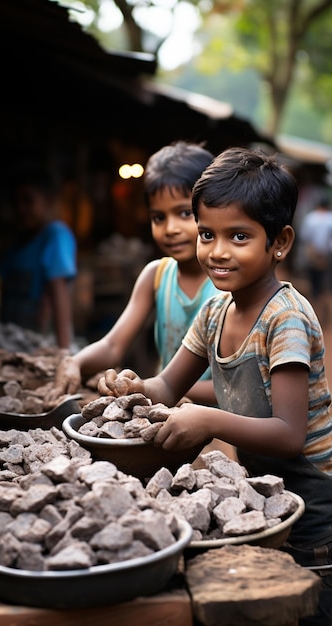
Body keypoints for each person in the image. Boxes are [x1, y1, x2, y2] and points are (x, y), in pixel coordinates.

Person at [98, 147, 332, 626]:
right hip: (266, 488)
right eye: (208, 234)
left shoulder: (285, 318)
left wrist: (205, 420)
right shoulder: (214, 312)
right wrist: (130, 386)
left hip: (314, 500)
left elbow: (288, 433)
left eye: (239, 236)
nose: (217, 251)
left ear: (280, 243)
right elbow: (167, 385)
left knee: (306, 602)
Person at [47, 141, 220, 405]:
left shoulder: (227, 283)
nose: (170, 228)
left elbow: (237, 387)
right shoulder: (157, 276)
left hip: (218, 426)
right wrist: (75, 362)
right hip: (162, 412)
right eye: (158, 217)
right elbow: (113, 346)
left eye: (185, 213)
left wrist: (154, 387)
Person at [0, 163, 77, 349]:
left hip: (43, 342)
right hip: (14, 340)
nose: (21, 208)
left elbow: (59, 293)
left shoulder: (55, 236)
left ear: (49, 201)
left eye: (28, 201)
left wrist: (63, 351)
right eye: (16, 202)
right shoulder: (18, 241)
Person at [299, 195, 332, 325]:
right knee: (324, 285)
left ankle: (312, 315)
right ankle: (323, 314)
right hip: (326, 257)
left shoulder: (310, 218)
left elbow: (305, 238)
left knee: (313, 284)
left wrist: (312, 254)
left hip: (312, 256)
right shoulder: (330, 218)